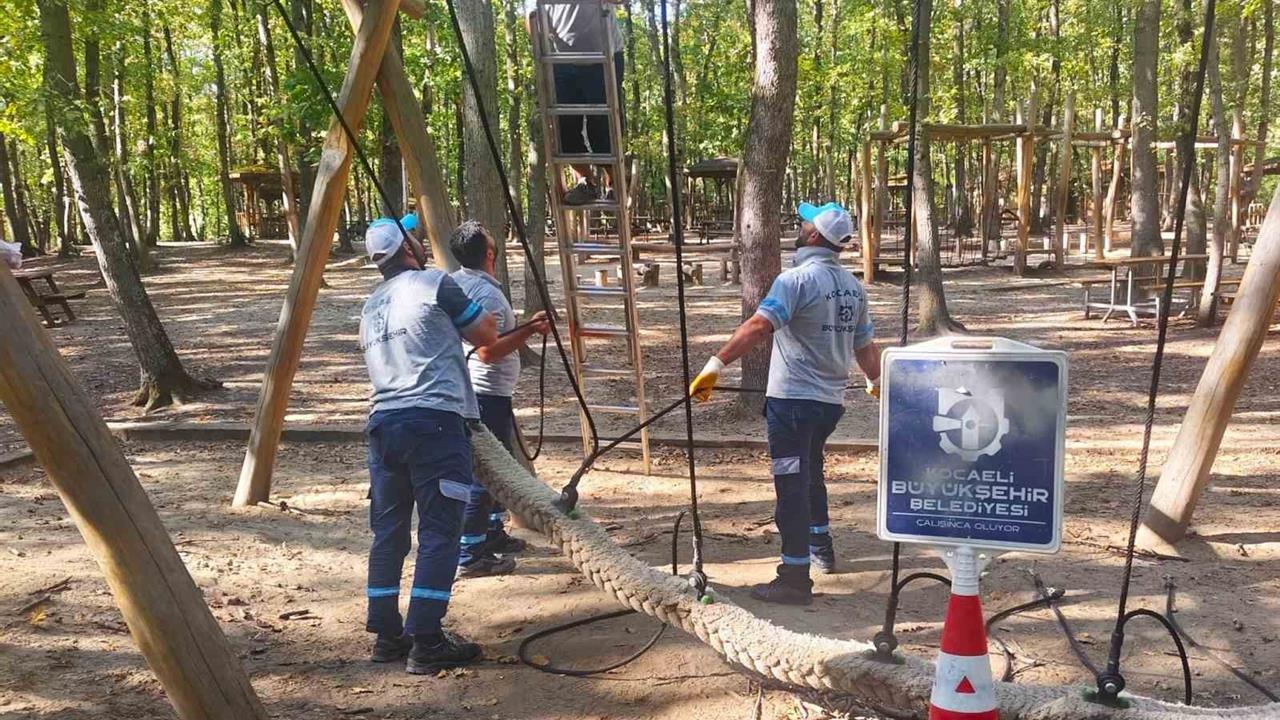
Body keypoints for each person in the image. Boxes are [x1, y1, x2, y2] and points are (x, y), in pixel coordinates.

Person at [688, 202, 881, 606]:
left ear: (814, 236)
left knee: (790, 483)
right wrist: (876, 379)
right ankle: (820, 544)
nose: (800, 224)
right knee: (811, 471)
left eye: (806, 222)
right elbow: (864, 344)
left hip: (792, 401)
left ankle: (794, 577)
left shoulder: (795, 280)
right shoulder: (852, 286)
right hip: (828, 403)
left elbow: (759, 325)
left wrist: (715, 363)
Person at [358, 218, 498, 673]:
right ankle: (428, 639)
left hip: (383, 428)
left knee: (389, 533)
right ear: (408, 246)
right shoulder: (433, 284)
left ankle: (386, 635)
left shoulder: (370, 306)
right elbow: (486, 336)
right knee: (440, 531)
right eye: (415, 235)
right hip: (435, 425)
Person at [448, 220, 551, 577]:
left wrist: (523, 328)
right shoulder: (486, 294)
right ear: (490, 253)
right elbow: (487, 352)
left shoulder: (461, 283)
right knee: (487, 473)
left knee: (500, 467)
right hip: (485, 392)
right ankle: (470, 553)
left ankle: (492, 533)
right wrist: (529, 331)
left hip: (486, 392)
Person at [543, 0, 626, 205]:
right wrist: (540, 38)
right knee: (564, 128)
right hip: (562, 61)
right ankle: (585, 182)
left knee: (602, 127)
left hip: (604, 56)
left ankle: (614, 181)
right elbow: (532, 16)